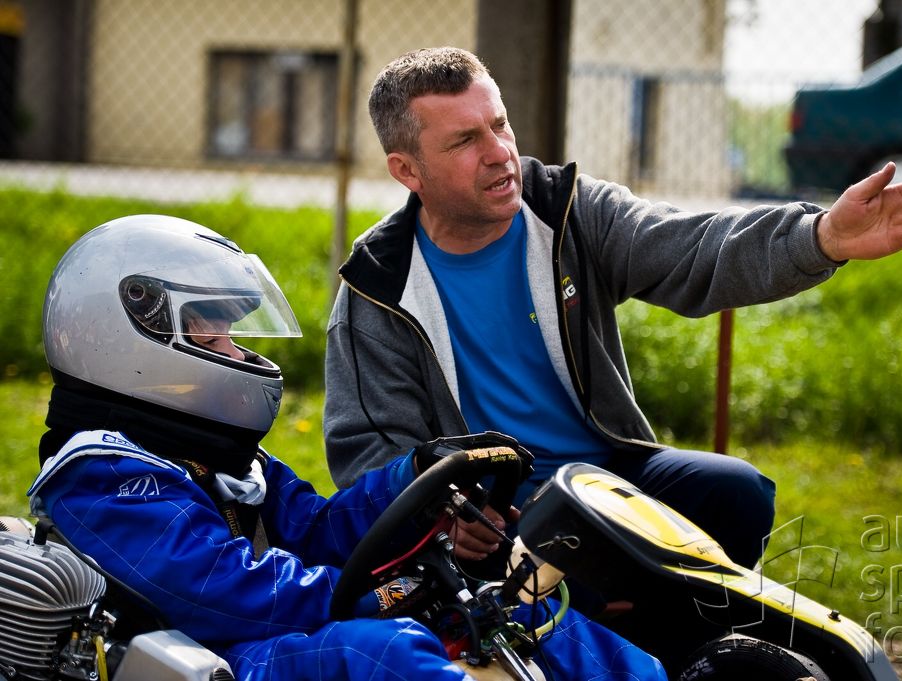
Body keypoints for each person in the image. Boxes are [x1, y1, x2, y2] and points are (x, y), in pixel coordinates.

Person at [323, 45, 902, 570]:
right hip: (498, 515)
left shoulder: (569, 211)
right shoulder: (377, 286)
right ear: (408, 171)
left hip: (607, 475)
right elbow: (368, 451)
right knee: (561, 586)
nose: (499, 151)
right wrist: (445, 514)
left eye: (500, 124)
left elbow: (693, 247)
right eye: (465, 140)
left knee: (737, 493)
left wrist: (820, 236)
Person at [28, 215, 667, 681]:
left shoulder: (220, 458)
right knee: (378, 652)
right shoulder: (103, 476)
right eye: (216, 338)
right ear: (131, 343)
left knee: (513, 610)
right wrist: (383, 593)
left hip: (265, 636)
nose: (239, 354)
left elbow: (318, 530)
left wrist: (416, 475)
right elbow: (227, 592)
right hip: (211, 655)